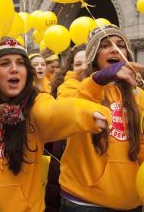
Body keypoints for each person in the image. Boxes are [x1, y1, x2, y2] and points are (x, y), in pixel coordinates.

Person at [0, 37, 112, 211]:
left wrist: (88, 113)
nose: (14, 69)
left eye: (20, 63)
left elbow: (55, 112)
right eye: (5, 63)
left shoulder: (36, 102)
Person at [59, 25, 144, 211]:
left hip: (132, 201)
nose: (115, 49)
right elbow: (69, 112)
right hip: (85, 202)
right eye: (105, 45)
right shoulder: (72, 87)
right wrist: (98, 81)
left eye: (121, 45)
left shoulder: (138, 96)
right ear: (93, 56)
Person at [44, 44, 86, 212]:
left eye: (88, 63)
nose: (83, 68)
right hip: (69, 183)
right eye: (77, 65)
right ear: (69, 69)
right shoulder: (61, 94)